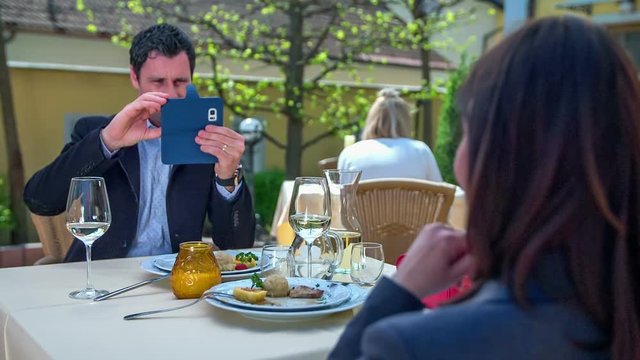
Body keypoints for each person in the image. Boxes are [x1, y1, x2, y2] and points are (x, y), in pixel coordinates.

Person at [330, 16, 640, 359]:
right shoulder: (615, 314)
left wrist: (398, 291)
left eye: (467, 133)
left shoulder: (415, 345)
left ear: (491, 159)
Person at [24, 24, 256, 262]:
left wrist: (228, 177)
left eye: (180, 81)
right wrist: (108, 141)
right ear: (135, 77)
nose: (170, 94)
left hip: (176, 283)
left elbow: (237, 245)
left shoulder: (204, 142)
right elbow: (40, 201)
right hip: (101, 280)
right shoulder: (94, 131)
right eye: (157, 81)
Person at [337, 88, 442, 181]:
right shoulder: (420, 150)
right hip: (409, 204)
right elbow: (440, 194)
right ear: (406, 121)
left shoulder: (351, 153)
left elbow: (341, 198)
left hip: (365, 204)